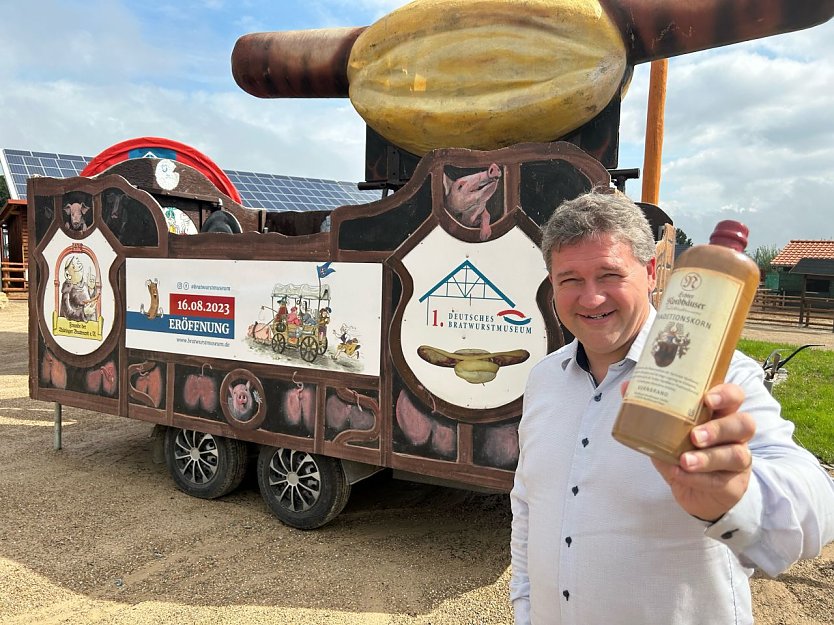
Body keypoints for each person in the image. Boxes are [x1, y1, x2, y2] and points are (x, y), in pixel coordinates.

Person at [510, 189, 834, 624]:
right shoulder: (544, 378)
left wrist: (733, 498)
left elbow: (818, 512)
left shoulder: (717, 375)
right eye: (570, 279)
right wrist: (526, 609)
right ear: (552, 283)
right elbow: (529, 505)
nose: (590, 298)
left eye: (609, 275)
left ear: (649, 272)